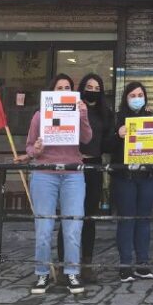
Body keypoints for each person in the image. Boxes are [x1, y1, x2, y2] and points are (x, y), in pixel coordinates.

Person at [25, 73, 93, 295]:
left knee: (73, 227)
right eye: (59, 87)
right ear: (51, 92)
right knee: (44, 228)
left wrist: (83, 115)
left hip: (73, 174)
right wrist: (35, 150)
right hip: (45, 174)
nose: (63, 90)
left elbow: (87, 139)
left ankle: (72, 273)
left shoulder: (78, 112)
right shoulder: (39, 116)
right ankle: (42, 274)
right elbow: (29, 148)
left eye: (68, 87)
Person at [104, 81, 153, 282]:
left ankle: (142, 264)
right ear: (126, 98)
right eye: (132, 95)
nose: (137, 98)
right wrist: (117, 135)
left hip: (147, 177)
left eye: (140, 94)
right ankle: (125, 265)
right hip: (125, 178)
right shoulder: (117, 119)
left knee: (144, 220)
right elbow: (105, 146)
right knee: (126, 220)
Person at [55, 73, 113, 284]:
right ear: (81, 87)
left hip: (94, 166)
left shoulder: (105, 113)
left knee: (89, 217)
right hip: (73, 165)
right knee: (69, 217)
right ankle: (64, 265)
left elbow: (108, 143)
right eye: (89, 86)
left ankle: (86, 264)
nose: (93, 91)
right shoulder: (71, 107)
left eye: (97, 88)